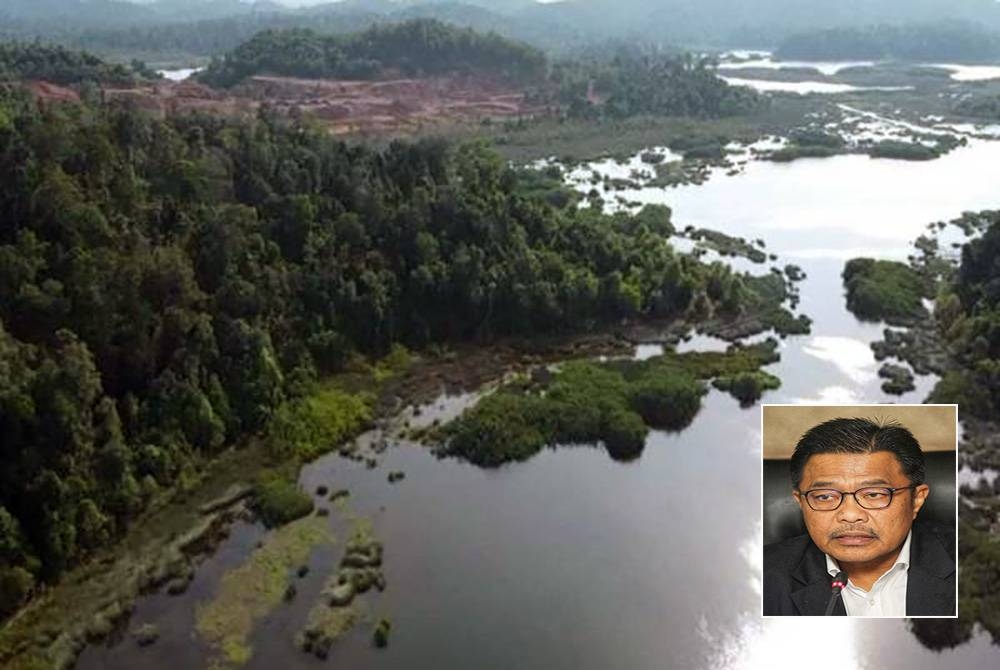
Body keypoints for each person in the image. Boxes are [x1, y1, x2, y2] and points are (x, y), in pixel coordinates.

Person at [763, 417, 955, 616]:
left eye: (873, 494)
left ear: (916, 499)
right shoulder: (760, 578)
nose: (850, 515)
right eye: (825, 496)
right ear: (800, 502)